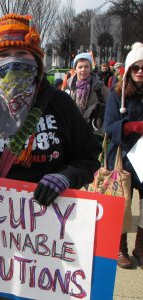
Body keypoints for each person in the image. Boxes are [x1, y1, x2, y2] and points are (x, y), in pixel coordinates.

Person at [0, 13, 101, 298]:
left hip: (46, 245)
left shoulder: (59, 104)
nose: (14, 60)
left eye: (22, 53)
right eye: (5, 54)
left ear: (36, 60)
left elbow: (88, 156)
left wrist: (67, 176)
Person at [104, 42, 143, 269]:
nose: (140, 72)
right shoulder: (116, 94)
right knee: (122, 204)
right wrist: (134, 126)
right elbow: (109, 128)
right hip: (124, 157)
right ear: (128, 70)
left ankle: (140, 246)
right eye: (136, 67)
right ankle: (120, 248)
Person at [66, 52, 109, 134]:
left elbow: (111, 106)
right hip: (74, 131)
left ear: (90, 68)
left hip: (95, 132)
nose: (83, 70)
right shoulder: (69, 87)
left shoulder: (100, 87)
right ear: (75, 69)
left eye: (86, 66)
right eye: (80, 67)